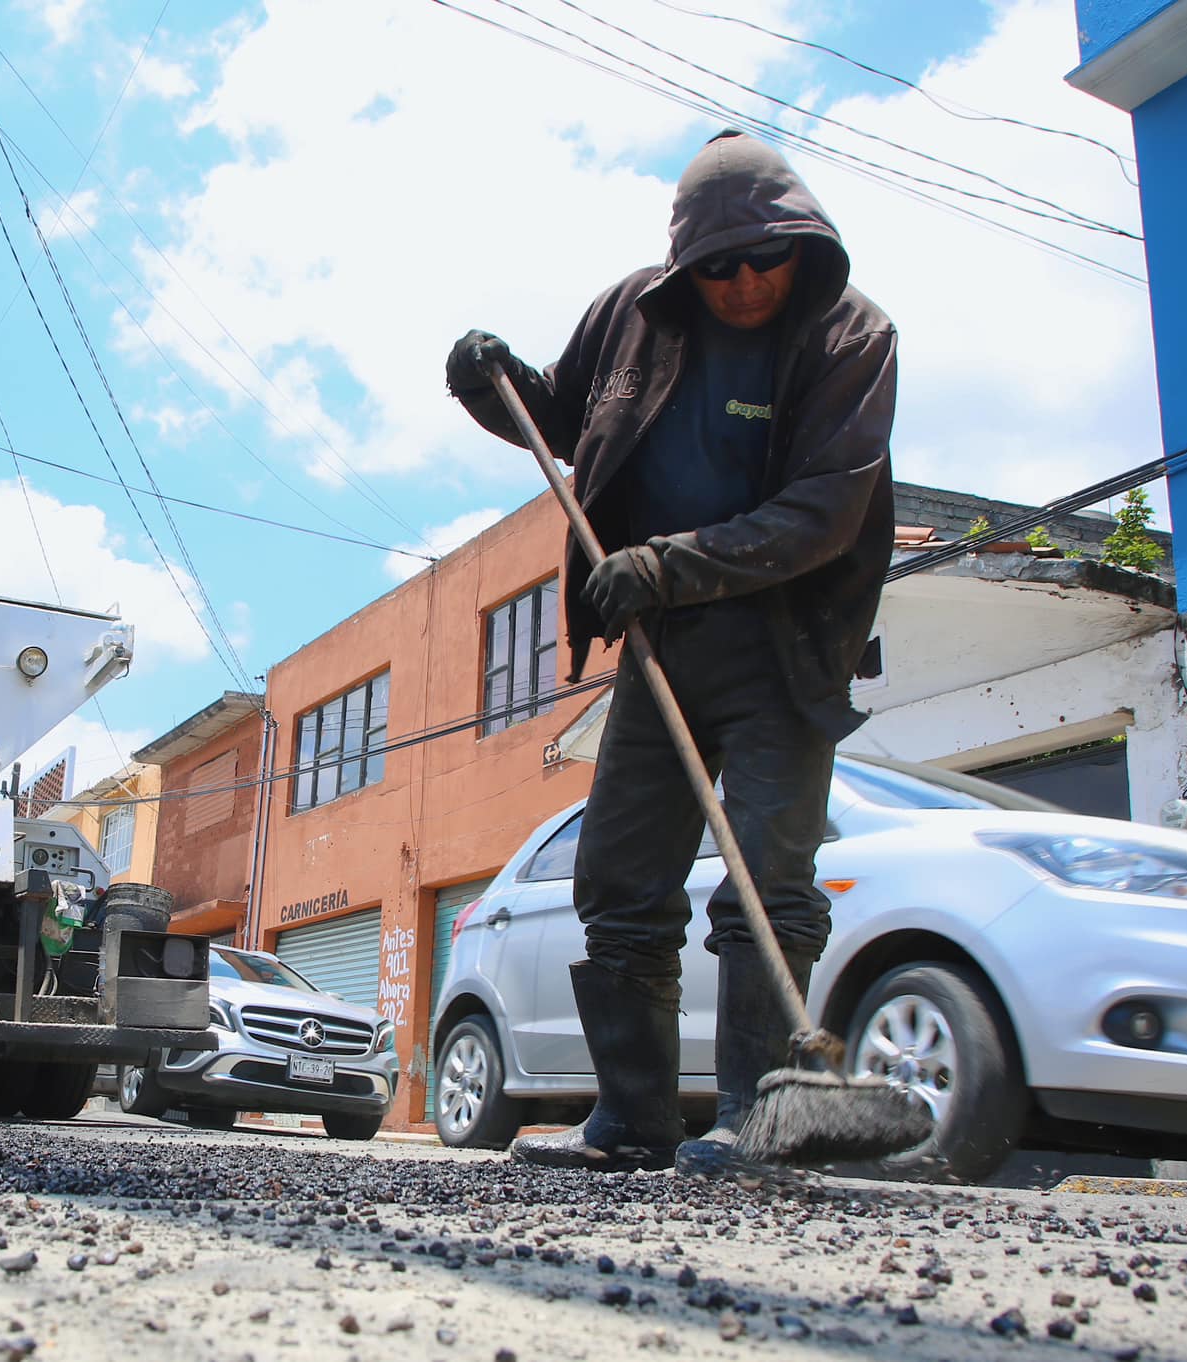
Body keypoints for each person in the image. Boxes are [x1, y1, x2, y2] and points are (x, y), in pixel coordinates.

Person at [444, 130, 896, 1175]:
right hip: (658, 645)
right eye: (717, 266)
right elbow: (558, 418)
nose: (741, 283)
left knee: (768, 881)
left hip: (785, 647)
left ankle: (753, 1118)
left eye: (763, 259)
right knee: (616, 879)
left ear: (803, 245)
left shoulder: (850, 336)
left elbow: (823, 513)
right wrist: (489, 381)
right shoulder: (630, 314)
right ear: (684, 263)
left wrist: (666, 564)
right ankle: (632, 1118)